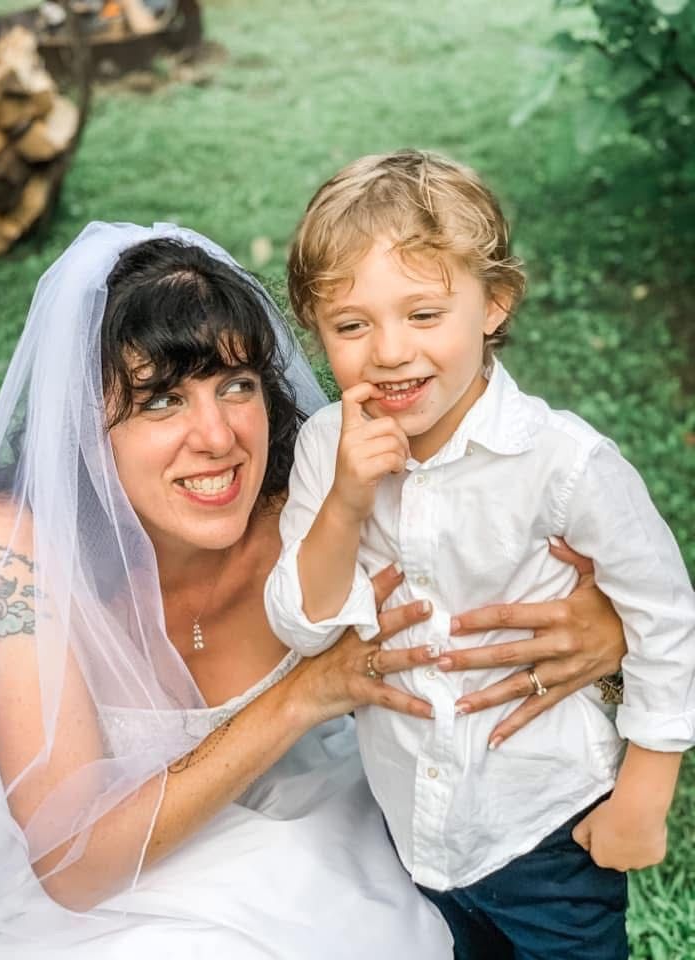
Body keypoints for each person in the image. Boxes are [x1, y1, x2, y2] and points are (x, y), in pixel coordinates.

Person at [0, 221, 625, 958]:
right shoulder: (15, 546)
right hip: (93, 891)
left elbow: (544, 571)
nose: (218, 437)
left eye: (236, 385)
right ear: (86, 426)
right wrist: (305, 693)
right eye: (162, 401)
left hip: (306, 840)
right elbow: (73, 869)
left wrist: (613, 634)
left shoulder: (322, 516)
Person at [265, 150, 695, 959]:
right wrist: (347, 502)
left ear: (494, 303)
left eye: (424, 314)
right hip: (410, 824)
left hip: (544, 822)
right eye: (352, 325)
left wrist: (646, 786)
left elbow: (666, 613)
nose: (389, 351)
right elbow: (304, 622)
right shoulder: (328, 447)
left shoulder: (563, 463)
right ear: (316, 330)